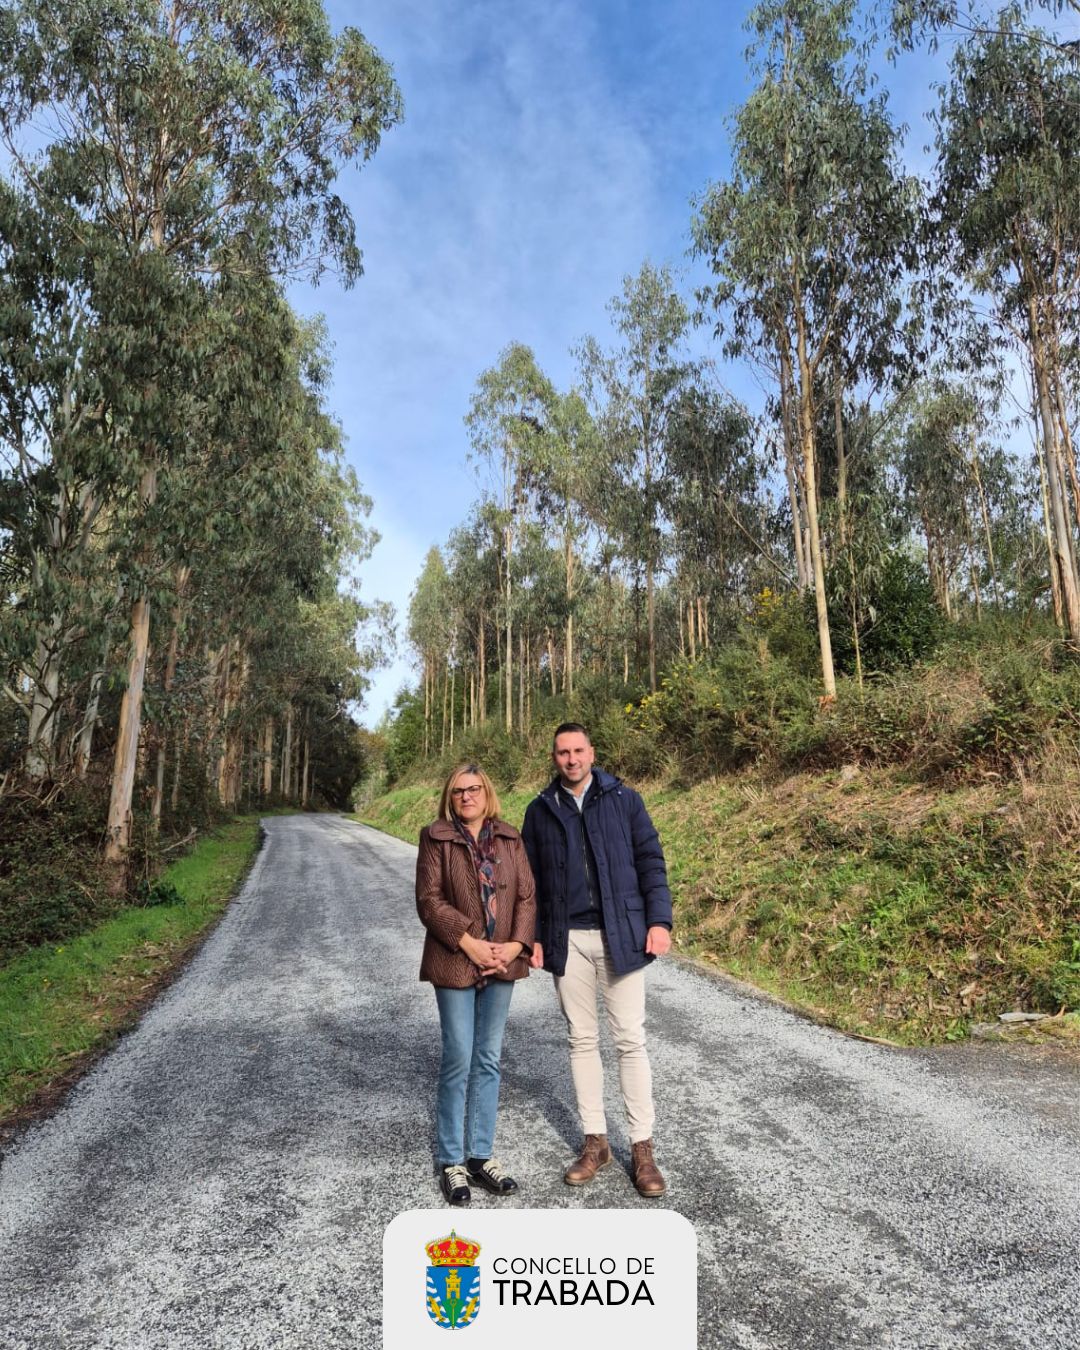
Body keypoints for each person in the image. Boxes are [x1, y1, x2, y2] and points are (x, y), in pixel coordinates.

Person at [522, 722, 672, 1197]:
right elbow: (530, 886)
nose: (571, 759)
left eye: (578, 750)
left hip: (621, 935)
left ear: (592, 752)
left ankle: (643, 1149)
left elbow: (650, 860)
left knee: (630, 1040)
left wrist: (659, 921)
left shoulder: (625, 800)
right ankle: (595, 1144)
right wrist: (533, 938)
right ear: (554, 757)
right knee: (581, 1040)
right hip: (568, 939)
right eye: (563, 752)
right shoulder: (540, 810)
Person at [416, 763, 536, 1206]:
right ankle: (452, 1161)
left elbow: (526, 894)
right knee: (458, 1055)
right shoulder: (436, 837)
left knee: (488, 1058)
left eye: (475, 789)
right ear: (450, 798)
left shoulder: (510, 836)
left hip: (502, 960)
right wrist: (469, 942)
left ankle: (481, 1154)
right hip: (454, 959)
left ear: (487, 793)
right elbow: (428, 900)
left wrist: (515, 944)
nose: (467, 796)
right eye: (459, 791)